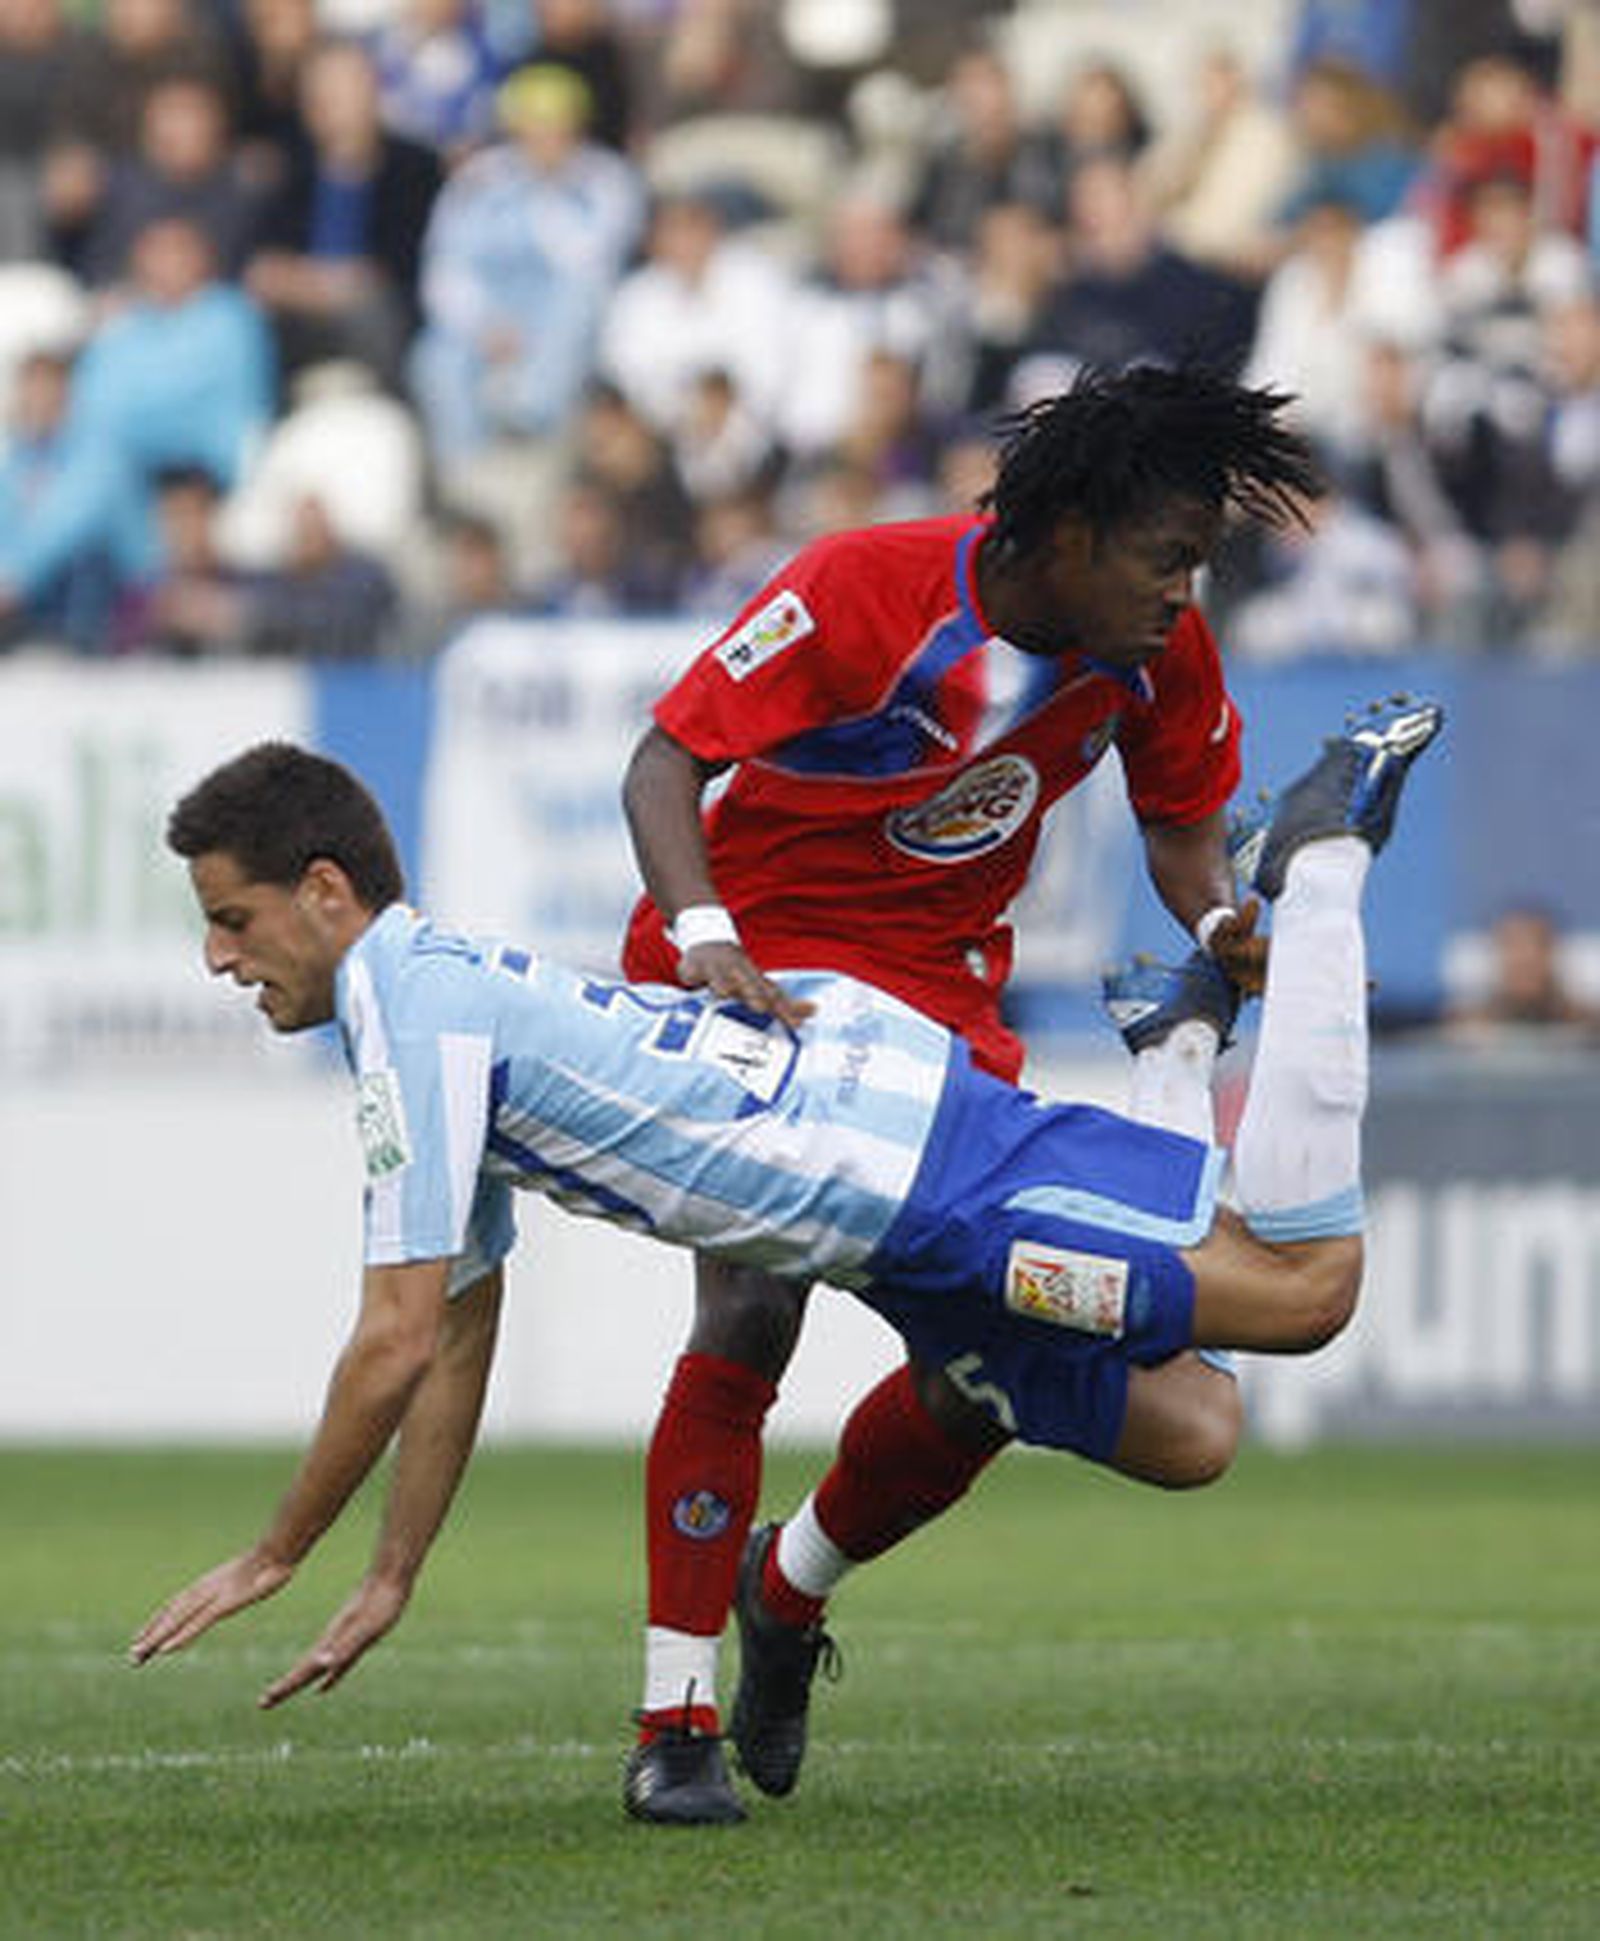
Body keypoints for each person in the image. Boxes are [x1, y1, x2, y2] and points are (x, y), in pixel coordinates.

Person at [131, 698, 1443, 1827]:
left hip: (912, 1158)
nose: (217, 956)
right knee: (1193, 1424)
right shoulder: (418, 1000)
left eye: (232, 918)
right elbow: (459, 1327)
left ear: (323, 890)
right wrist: (391, 1571)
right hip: (883, 1211)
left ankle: (1319, 862)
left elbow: (392, 1337)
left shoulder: (402, 1008)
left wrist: (276, 1551)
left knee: (1296, 1303)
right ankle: (1173, 1047)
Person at [615, 362, 1314, 1822]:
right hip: (768, 982)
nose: (1186, 593)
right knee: (750, 1306)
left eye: (1199, 561)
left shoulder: (1154, 652)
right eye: (1166, 557)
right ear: (1063, 533)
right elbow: (667, 762)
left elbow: (1188, 844)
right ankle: (670, 1719)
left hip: (940, 1023)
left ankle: (787, 1589)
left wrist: (1228, 932)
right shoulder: (866, 588)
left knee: (1039, 1383)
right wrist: (708, 942)